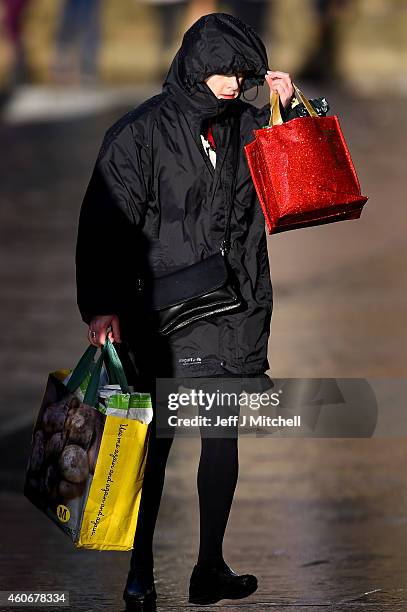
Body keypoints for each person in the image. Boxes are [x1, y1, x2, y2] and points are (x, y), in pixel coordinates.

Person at [75, 12, 329, 610]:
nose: (231, 82)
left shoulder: (248, 125)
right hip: (161, 309)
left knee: (221, 437)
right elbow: (102, 224)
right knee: (155, 441)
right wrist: (102, 305)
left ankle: (208, 567)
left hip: (234, 305)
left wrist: (292, 111)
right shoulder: (139, 133)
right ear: (194, 66)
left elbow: (309, 190)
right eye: (221, 71)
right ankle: (139, 573)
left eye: (240, 72)